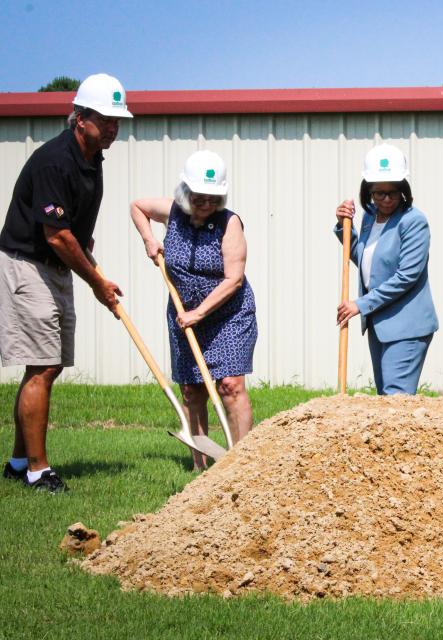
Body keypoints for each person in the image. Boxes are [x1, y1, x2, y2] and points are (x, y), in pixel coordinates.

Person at [0, 74, 132, 493]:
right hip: (29, 264)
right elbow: (56, 235)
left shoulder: (93, 161)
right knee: (41, 365)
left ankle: (19, 462)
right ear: (80, 117)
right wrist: (97, 282)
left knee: (49, 364)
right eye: (105, 119)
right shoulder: (56, 160)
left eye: (117, 121)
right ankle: (39, 472)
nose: (113, 127)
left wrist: (94, 272)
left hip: (55, 266)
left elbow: (76, 234)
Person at [130, 150, 257, 469]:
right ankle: (201, 468)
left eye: (213, 198)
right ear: (185, 193)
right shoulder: (172, 213)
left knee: (230, 386)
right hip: (182, 311)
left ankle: (243, 465)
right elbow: (137, 207)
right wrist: (149, 239)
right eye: (199, 197)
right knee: (192, 389)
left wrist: (199, 314)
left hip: (228, 313)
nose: (206, 204)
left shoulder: (229, 223)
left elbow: (234, 279)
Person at [334, 144, 438, 395]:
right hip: (380, 323)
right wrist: (343, 228)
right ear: (368, 191)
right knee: (385, 400)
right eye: (379, 193)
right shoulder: (371, 216)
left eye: (393, 192)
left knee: (396, 399)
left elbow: (406, 276)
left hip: (407, 327)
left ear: (404, 189)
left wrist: (361, 304)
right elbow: (369, 263)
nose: (387, 199)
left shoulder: (414, 221)